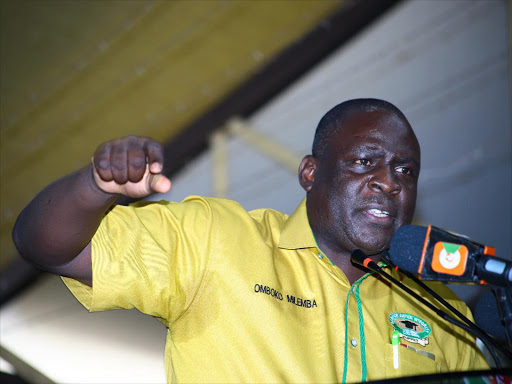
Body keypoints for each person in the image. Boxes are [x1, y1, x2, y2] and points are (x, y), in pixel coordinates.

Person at [13, 99, 488, 383]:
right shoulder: (217, 239)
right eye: (366, 162)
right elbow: (45, 244)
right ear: (310, 173)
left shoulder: (441, 310)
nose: (390, 182)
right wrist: (96, 186)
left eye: (406, 171)